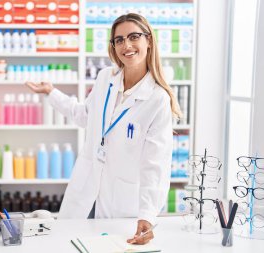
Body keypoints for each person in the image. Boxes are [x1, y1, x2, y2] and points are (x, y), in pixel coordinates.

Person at [25, 13, 181, 245]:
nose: (126, 45)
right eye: (119, 40)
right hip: (84, 190)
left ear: (149, 40)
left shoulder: (157, 100)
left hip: (120, 202)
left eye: (133, 37)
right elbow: (85, 115)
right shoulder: (105, 78)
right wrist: (51, 93)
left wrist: (147, 215)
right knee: (67, 244)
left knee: (107, 246)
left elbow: (155, 164)